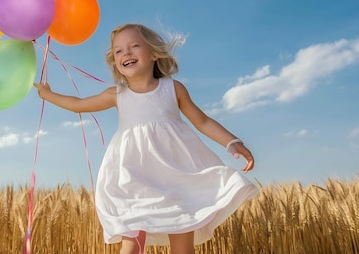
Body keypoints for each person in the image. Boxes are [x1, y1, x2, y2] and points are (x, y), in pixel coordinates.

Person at [34, 23, 259, 254]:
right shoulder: (117, 95)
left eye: (134, 46)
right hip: (134, 177)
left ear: (153, 53)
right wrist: (48, 94)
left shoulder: (173, 89)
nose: (126, 54)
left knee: (182, 239)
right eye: (119, 51)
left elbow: (202, 121)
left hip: (176, 174)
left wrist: (232, 142)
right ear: (115, 62)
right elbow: (79, 105)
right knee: (131, 243)